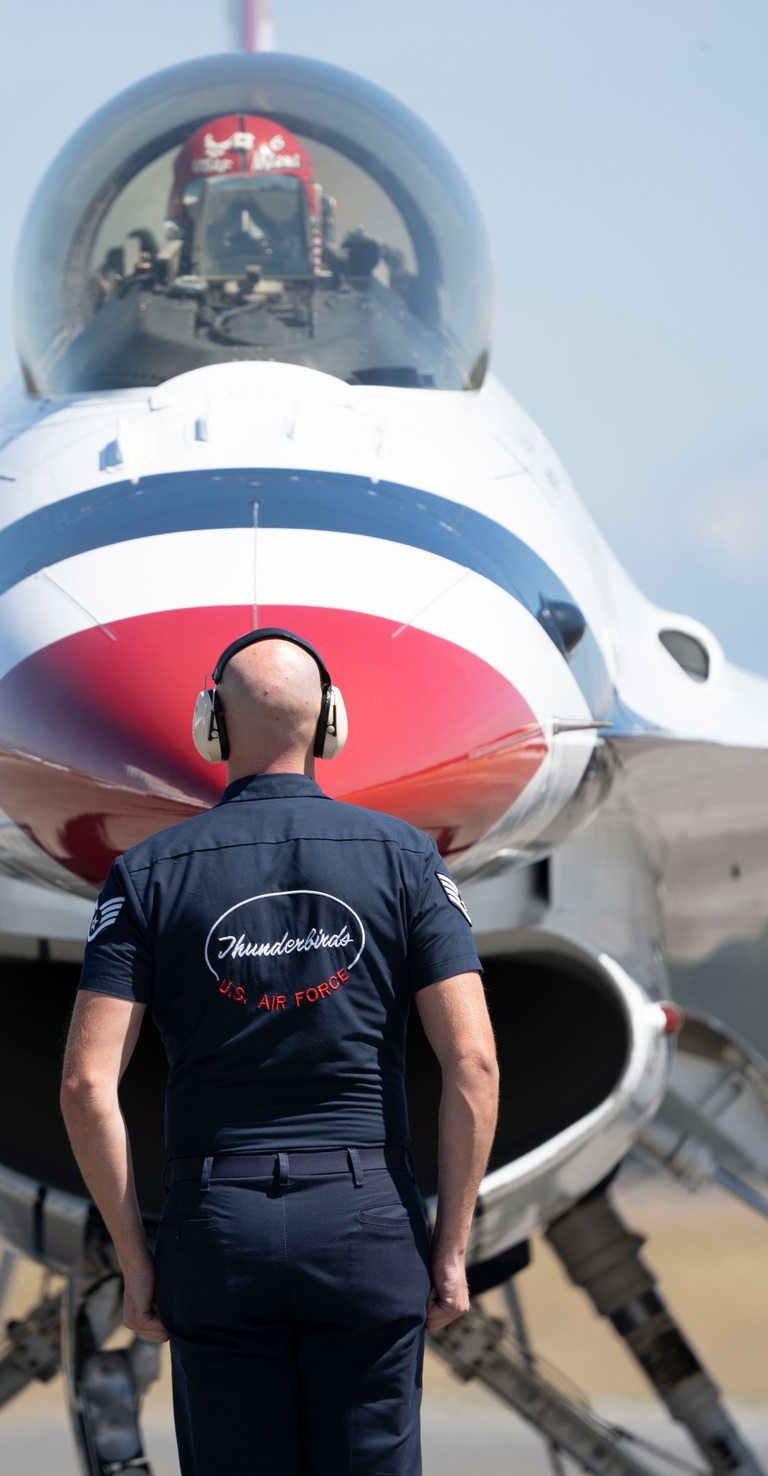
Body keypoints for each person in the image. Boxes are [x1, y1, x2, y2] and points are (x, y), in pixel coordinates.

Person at [61, 627, 499, 1476]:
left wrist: (135, 1257)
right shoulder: (408, 859)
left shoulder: (146, 874)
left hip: (218, 1229)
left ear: (210, 727)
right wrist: (448, 1248)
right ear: (331, 721)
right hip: (367, 1222)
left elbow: (86, 1082)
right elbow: (473, 1063)